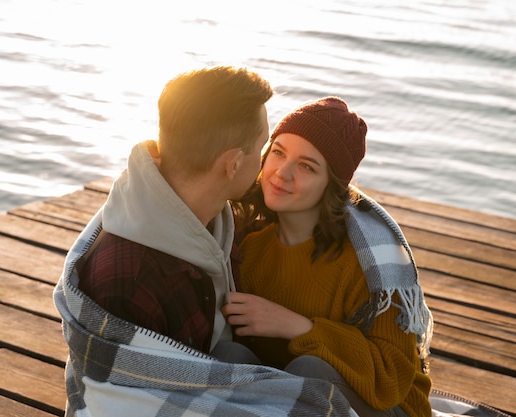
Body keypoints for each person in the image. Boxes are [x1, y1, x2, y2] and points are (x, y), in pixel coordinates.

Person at [54, 67, 356, 416]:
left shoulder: (207, 216)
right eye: (264, 149)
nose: (265, 167)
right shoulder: (130, 282)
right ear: (232, 165)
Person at [224, 97, 434, 417]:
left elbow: (393, 377)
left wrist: (300, 327)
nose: (282, 172)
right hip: (291, 396)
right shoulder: (251, 248)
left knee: (311, 371)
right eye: (278, 152)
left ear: (331, 185)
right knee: (227, 355)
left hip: (388, 406)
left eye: (307, 166)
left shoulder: (366, 264)